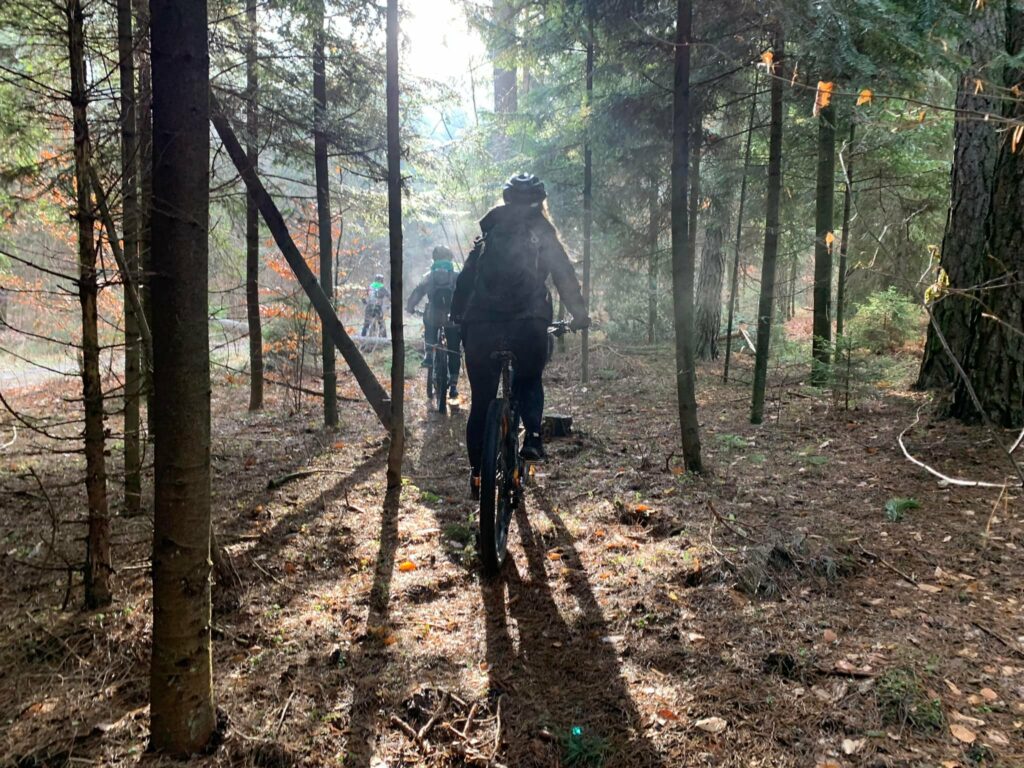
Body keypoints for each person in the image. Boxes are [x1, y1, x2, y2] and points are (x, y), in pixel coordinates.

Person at [450, 173, 589, 498]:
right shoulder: (543, 232)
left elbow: (466, 279)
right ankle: (534, 439)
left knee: (481, 402)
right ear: (540, 203)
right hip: (528, 323)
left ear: (506, 200)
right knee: (528, 379)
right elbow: (564, 276)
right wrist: (579, 315)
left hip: (482, 326)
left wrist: (457, 317)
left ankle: (477, 475)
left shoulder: (489, 231)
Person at [406, 245, 461, 398]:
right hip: (452, 318)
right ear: (450, 258)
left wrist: (410, 307)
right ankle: (454, 385)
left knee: (428, 319)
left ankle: (429, 355)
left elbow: (418, 292)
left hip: (433, 315)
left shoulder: (429, 276)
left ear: (434, 258)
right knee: (454, 349)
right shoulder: (457, 276)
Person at [360, 273, 389, 337]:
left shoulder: (370, 287)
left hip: (369, 306)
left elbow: (362, 297)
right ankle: (384, 338)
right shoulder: (382, 287)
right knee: (381, 324)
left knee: (366, 323)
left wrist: (365, 303)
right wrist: (388, 305)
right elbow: (389, 296)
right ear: (382, 280)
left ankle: (362, 337)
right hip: (378, 307)